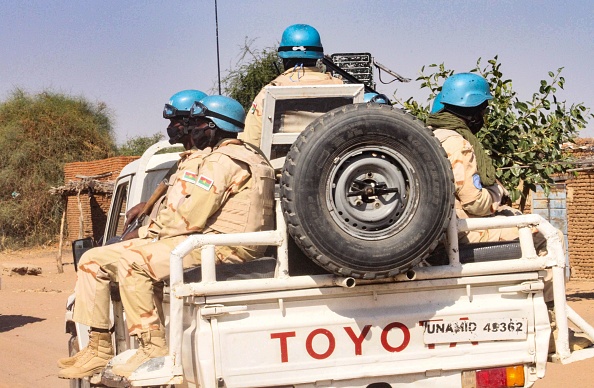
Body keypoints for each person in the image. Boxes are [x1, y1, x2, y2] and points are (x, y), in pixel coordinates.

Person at [58, 93, 275, 379]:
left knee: (134, 261)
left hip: (225, 247)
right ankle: (98, 350)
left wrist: (147, 235)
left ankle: (152, 348)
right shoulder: (229, 157)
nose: (191, 128)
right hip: (215, 242)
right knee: (92, 260)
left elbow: (189, 217)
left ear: (214, 126)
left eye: (198, 123)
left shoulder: (223, 162)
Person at [427, 73, 592, 352]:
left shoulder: (431, 134)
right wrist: (497, 194)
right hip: (462, 233)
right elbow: (475, 203)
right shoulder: (456, 141)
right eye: (483, 109)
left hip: (442, 229)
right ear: (474, 109)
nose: (484, 115)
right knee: (549, 239)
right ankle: (551, 326)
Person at [239, 23, 343, 147]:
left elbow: (252, 141)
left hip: (280, 165)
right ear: (317, 57)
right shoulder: (341, 87)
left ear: (284, 59)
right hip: (333, 164)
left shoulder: (268, 92)